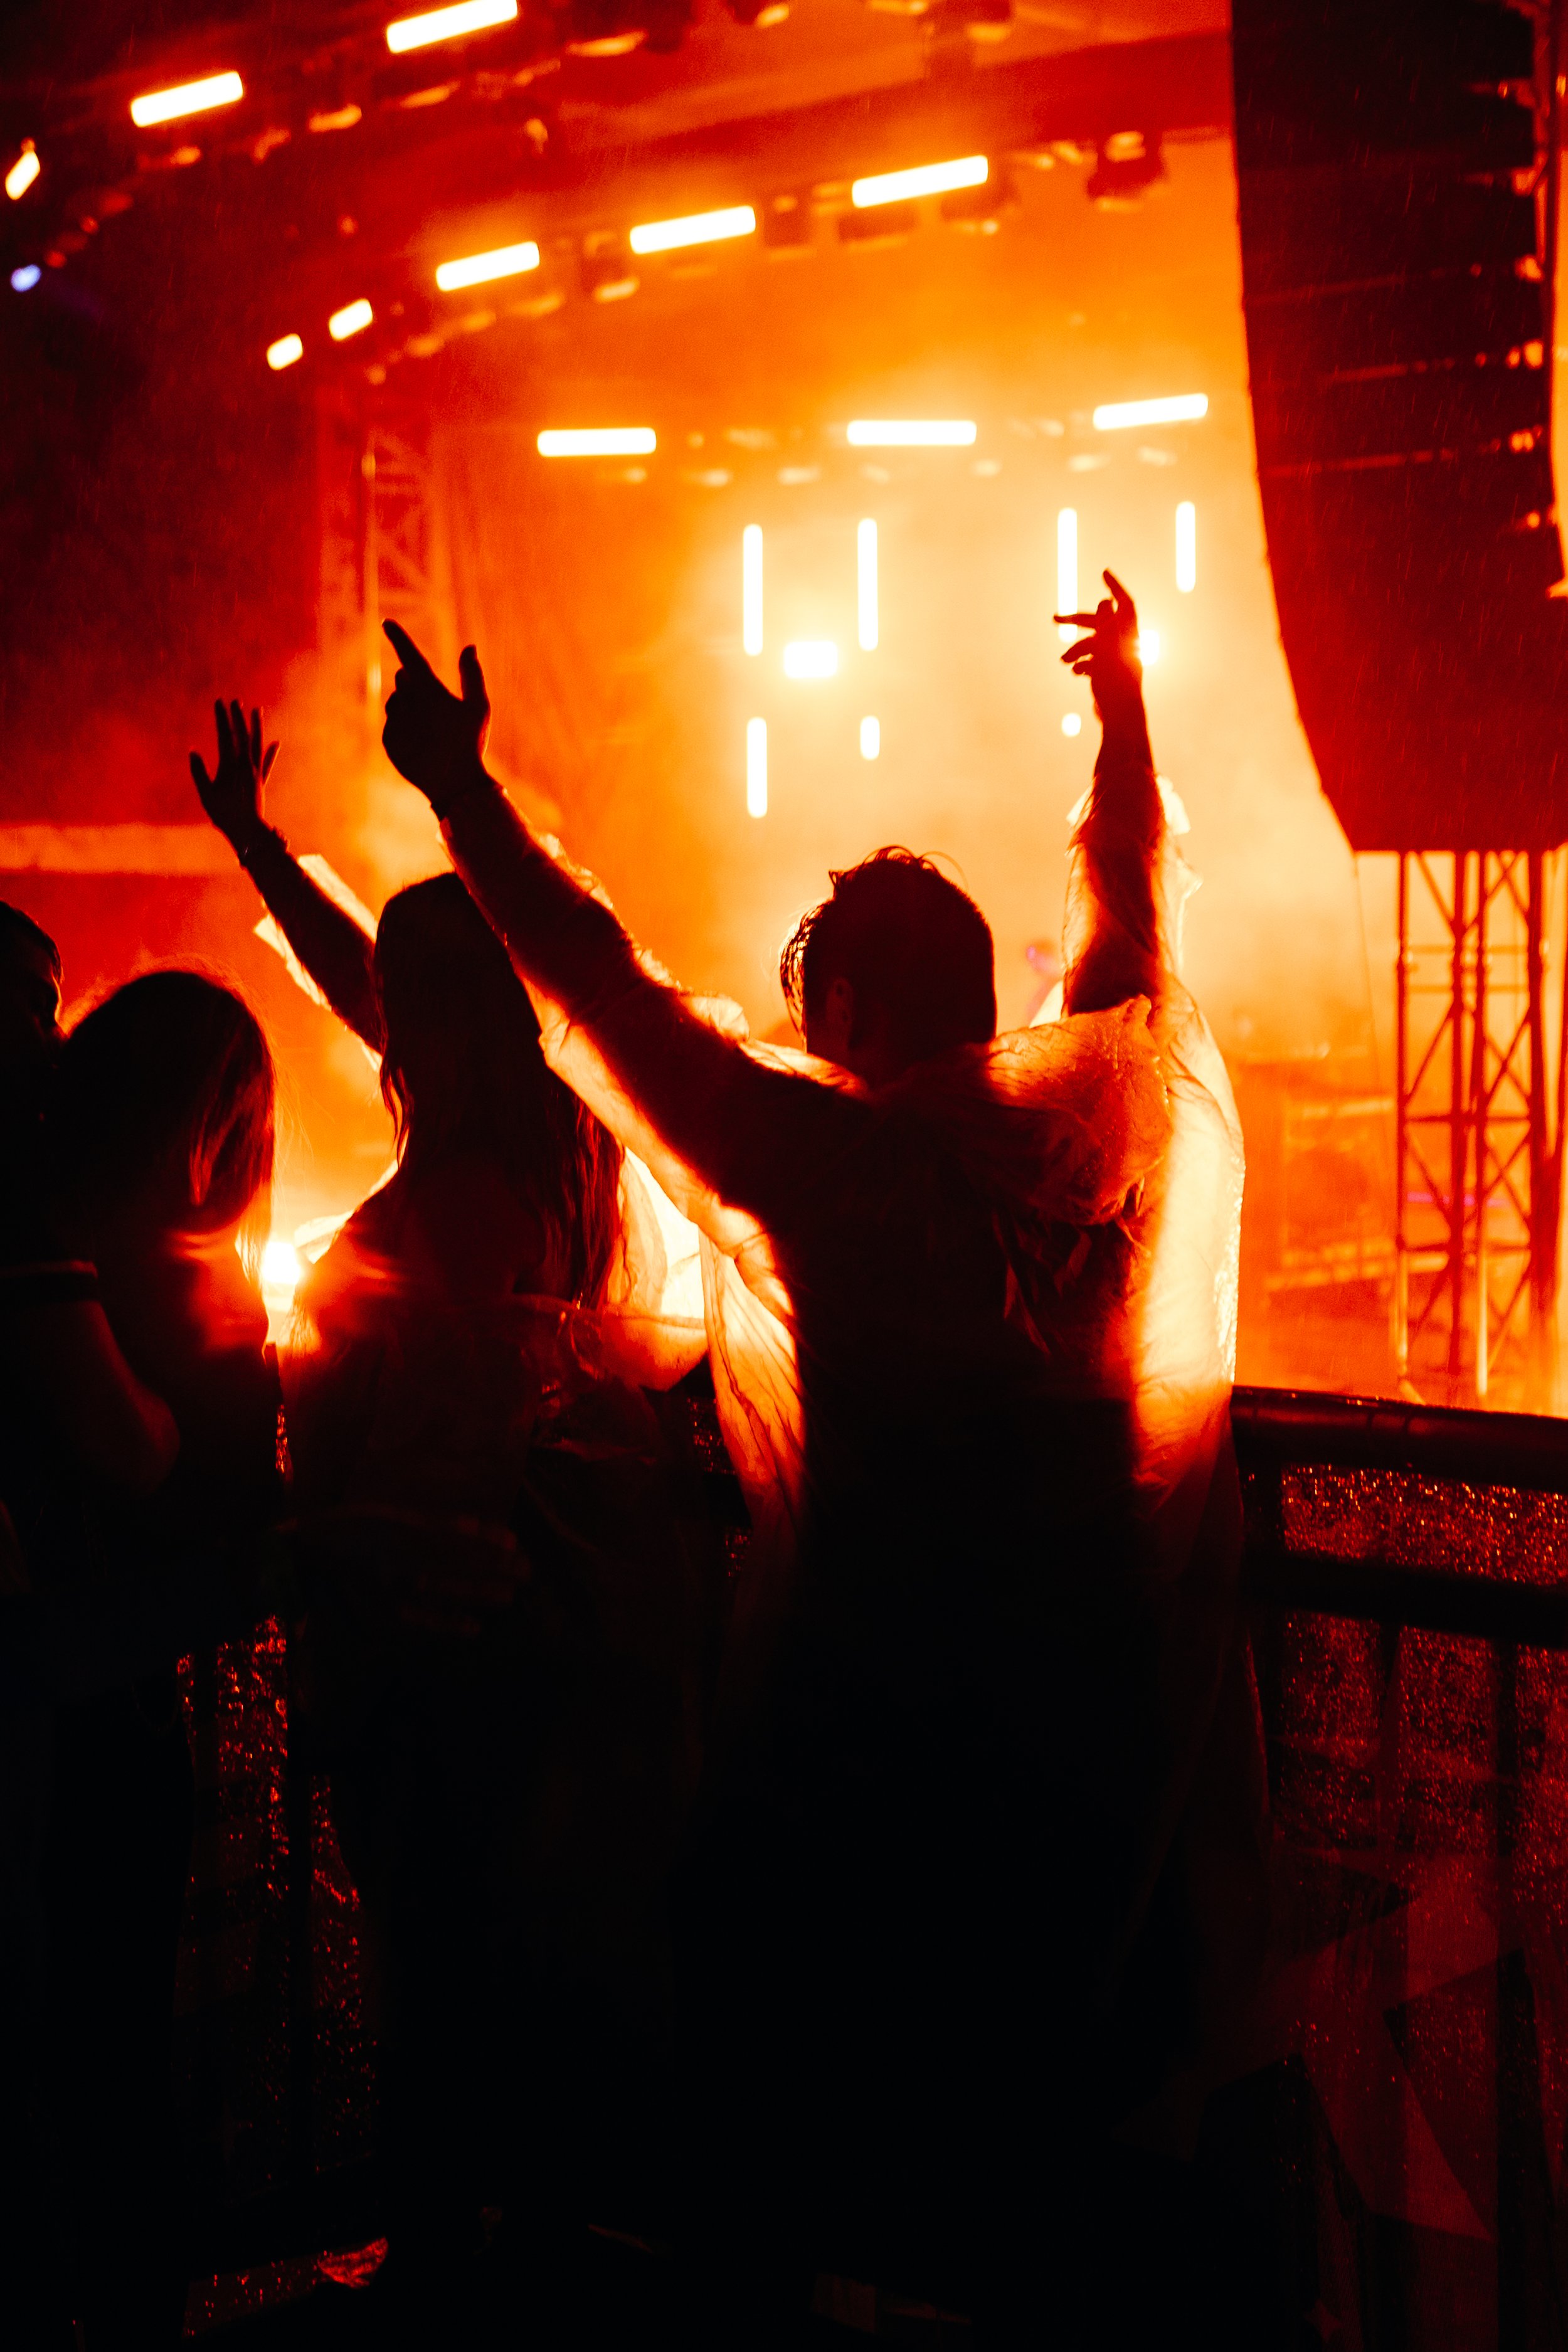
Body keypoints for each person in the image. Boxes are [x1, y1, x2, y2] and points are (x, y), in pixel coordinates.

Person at [376, 575, 1254, 2340]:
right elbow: (1134, 930)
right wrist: (1126, 721)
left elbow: (606, 1003)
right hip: (1105, 1738)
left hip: (864, 1736)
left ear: (840, 1001)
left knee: (780, 2124)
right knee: (1050, 2171)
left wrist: (463, 799)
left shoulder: (841, 1178)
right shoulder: (1113, 1145)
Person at [191, 704, 714, 2325]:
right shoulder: (547, 1134)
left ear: (437, 1018)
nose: (382, 1025)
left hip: (457, 1647)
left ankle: (456, 2276)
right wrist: (266, 849)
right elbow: (380, 978)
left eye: (403, 1006)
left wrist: (342, 1549)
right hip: (539, 1638)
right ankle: (519, 2258)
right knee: (523, 1977)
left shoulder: (475, 1191)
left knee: (447, 1979)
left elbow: (450, 1445)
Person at [36, 970, 283, 2349]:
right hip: (115, 1727)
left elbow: (161, 1487)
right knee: (113, 2062)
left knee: (95, 2062)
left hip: (99, 1717)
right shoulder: (191, 1290)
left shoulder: (125, 1278)